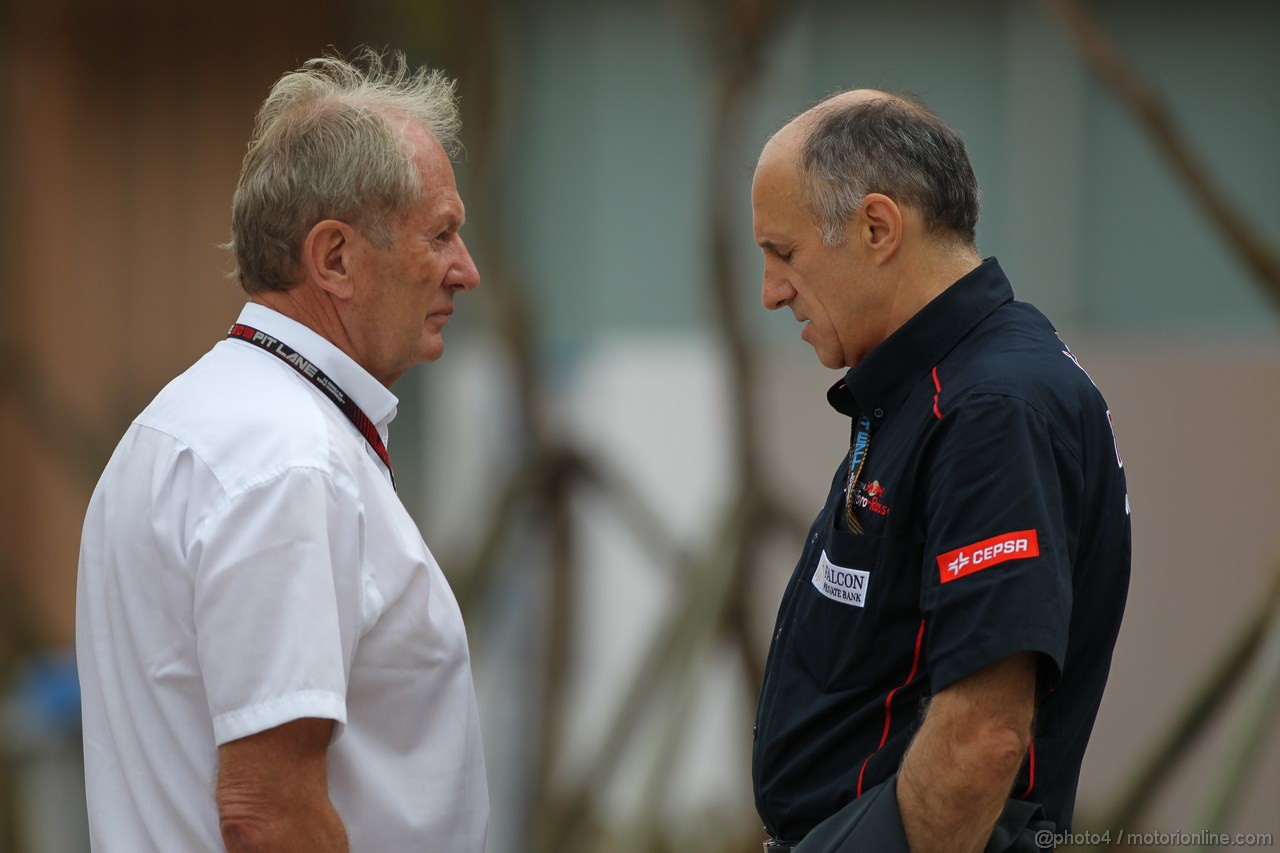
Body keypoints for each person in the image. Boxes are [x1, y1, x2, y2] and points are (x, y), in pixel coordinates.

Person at [75, 50, 487, 852]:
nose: (465, 271)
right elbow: (267, 815)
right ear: (334, 258)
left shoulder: (183, 424)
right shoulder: (291, 459)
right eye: (439, 235)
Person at [750, 90, 1130, 852]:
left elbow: (984, 735)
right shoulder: (934, 385)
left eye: (783, 253)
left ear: (878, 227)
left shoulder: (992, 406)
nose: (771, 292)